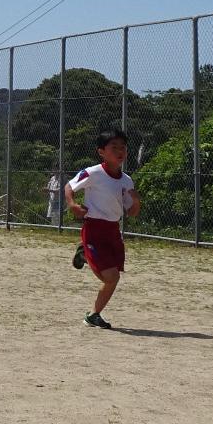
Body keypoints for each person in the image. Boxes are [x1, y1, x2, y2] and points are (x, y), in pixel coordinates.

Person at [66, 129, 140, 329]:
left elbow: (131, 212)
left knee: (113, 278)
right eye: (114, 147)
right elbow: (69, 186)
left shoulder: (126, 180)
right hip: (94, 229)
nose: (120, 151)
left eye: (123, 147)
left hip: (113, 231)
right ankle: (85, 252)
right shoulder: (93, 173)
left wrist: (136, 202)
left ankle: (93, 315)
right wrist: (72, 204)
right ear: (101, 152)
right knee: (110, 277)